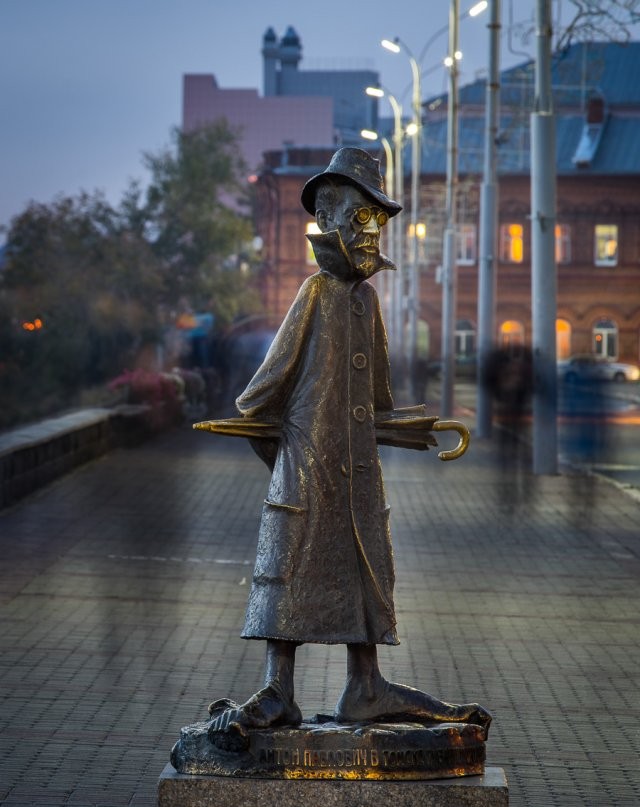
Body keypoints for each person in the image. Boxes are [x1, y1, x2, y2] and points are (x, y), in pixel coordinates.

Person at [208, 148, 491, 747]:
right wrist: (292, 465)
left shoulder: (366, 301)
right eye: (362, 216)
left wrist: (423, 428)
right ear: (328, 218)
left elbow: (376, 403)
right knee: (292, 569)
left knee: (367, 569)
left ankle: (366, 685)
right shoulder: (315, 292)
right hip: (308, 476)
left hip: (359, 478)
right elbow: (259, 398)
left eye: (378, 220)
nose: (372, 231)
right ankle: (278, 688)